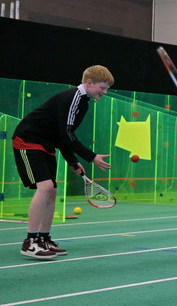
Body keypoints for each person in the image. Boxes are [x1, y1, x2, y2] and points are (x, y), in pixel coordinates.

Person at [13, 65, 114, 260]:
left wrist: (73, 161)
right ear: (89, 83)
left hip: (46, 143)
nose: (104, 92)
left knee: (52, 191)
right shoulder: (73, 97)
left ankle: (44, 239)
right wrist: (91, 156)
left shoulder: (84, 102)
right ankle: (30, 242)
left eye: (107, 88)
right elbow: (66, 134)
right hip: (27, 140)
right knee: (45, 186)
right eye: (102, 87)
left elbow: (63, 135)